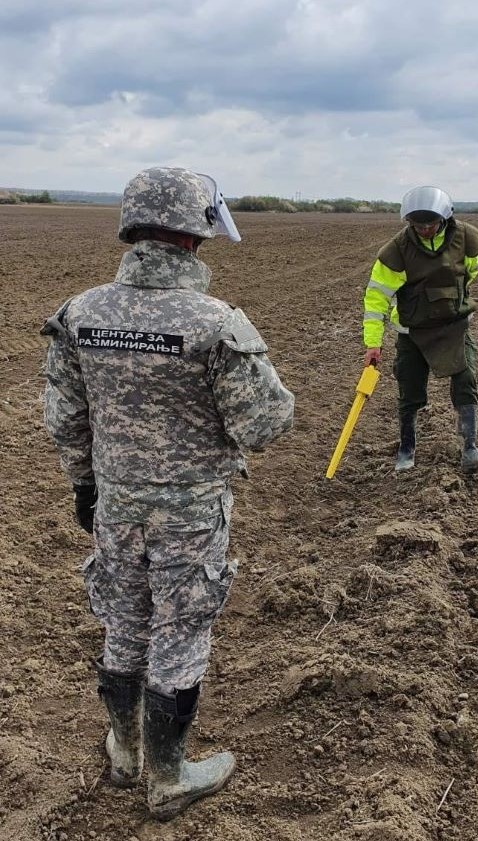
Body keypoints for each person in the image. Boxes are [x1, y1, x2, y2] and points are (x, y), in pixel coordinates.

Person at [41, 167, 294, 821]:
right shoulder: (216, 323)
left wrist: (84, 485)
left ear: (134, 229)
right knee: (180, 630)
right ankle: (169, 773)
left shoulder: (78, 314)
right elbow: (263, 424)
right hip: (190, 511)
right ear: (192, 236)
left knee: (124, 622)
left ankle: (125, 752)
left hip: (114, 502)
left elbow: (65, 419)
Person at [363, 185, 478, 473]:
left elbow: (470, 272)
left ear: (444, 219)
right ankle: (406, 448)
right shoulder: (396, 251)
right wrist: (373, 343)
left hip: (454, 327)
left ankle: (470, 448)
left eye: (430, 224)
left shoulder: (466, 238)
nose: (423, 229)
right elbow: (376, 299)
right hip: (413, 332)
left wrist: (449, 302)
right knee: (409, 390)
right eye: (417, 225)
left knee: (466, 380)